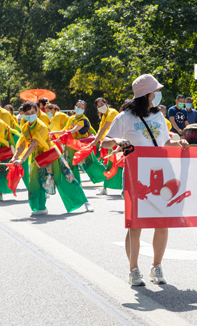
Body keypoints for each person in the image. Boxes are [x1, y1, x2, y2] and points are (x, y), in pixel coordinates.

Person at [102, 74, 189, 286]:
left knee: (162, 222)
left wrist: (179, 144)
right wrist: (116, 140)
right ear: (147, 94)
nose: (158, 94)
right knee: (136, 225)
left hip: (162, 172)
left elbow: (165, 143)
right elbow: (105, 142)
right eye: (155, 91)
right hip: (136, 176)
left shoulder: (158, 115)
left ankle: (156, 267)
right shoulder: (124, 117)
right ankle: (134, 270)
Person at [10, 102, 92, 215]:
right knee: (35, 182)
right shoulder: (25, 126)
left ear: (37, 111)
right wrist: (14, 157)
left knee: (65, 179)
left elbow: (34, 144)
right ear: (24, 114)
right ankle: (40, 208)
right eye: (27, 113)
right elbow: (22, 145)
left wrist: (22, 159)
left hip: (50, 155)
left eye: (32, 112)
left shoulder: (41, 126)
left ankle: (84, 201)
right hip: (36, 158)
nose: (30, 115)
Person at [50, 100, 106, 185]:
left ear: (84, 110)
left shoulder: (83, 119)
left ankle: (107, 175)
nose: (80, 109)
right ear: (75, 107)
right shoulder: (72, 118)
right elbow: (65, 130)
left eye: (82, 108)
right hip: (71, 144)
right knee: (71, 162)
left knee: (91, 161)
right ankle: (76, 182)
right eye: (78, 107)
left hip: (81, 144)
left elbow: (73, 130)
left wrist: (62, 137)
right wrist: (54, 133)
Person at [91, 97, 120, 195]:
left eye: (101, 104)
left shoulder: (112, 112)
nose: (100, 107)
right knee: (110, 165)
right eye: (98, 106)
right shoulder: (104, 115)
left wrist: (95, 141)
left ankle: (107, 187)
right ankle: (105, 187)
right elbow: (100, 130)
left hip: (117, 142)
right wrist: (98, 141)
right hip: (110, 144)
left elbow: (104, 129)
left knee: (116, 165)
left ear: (106, 103)